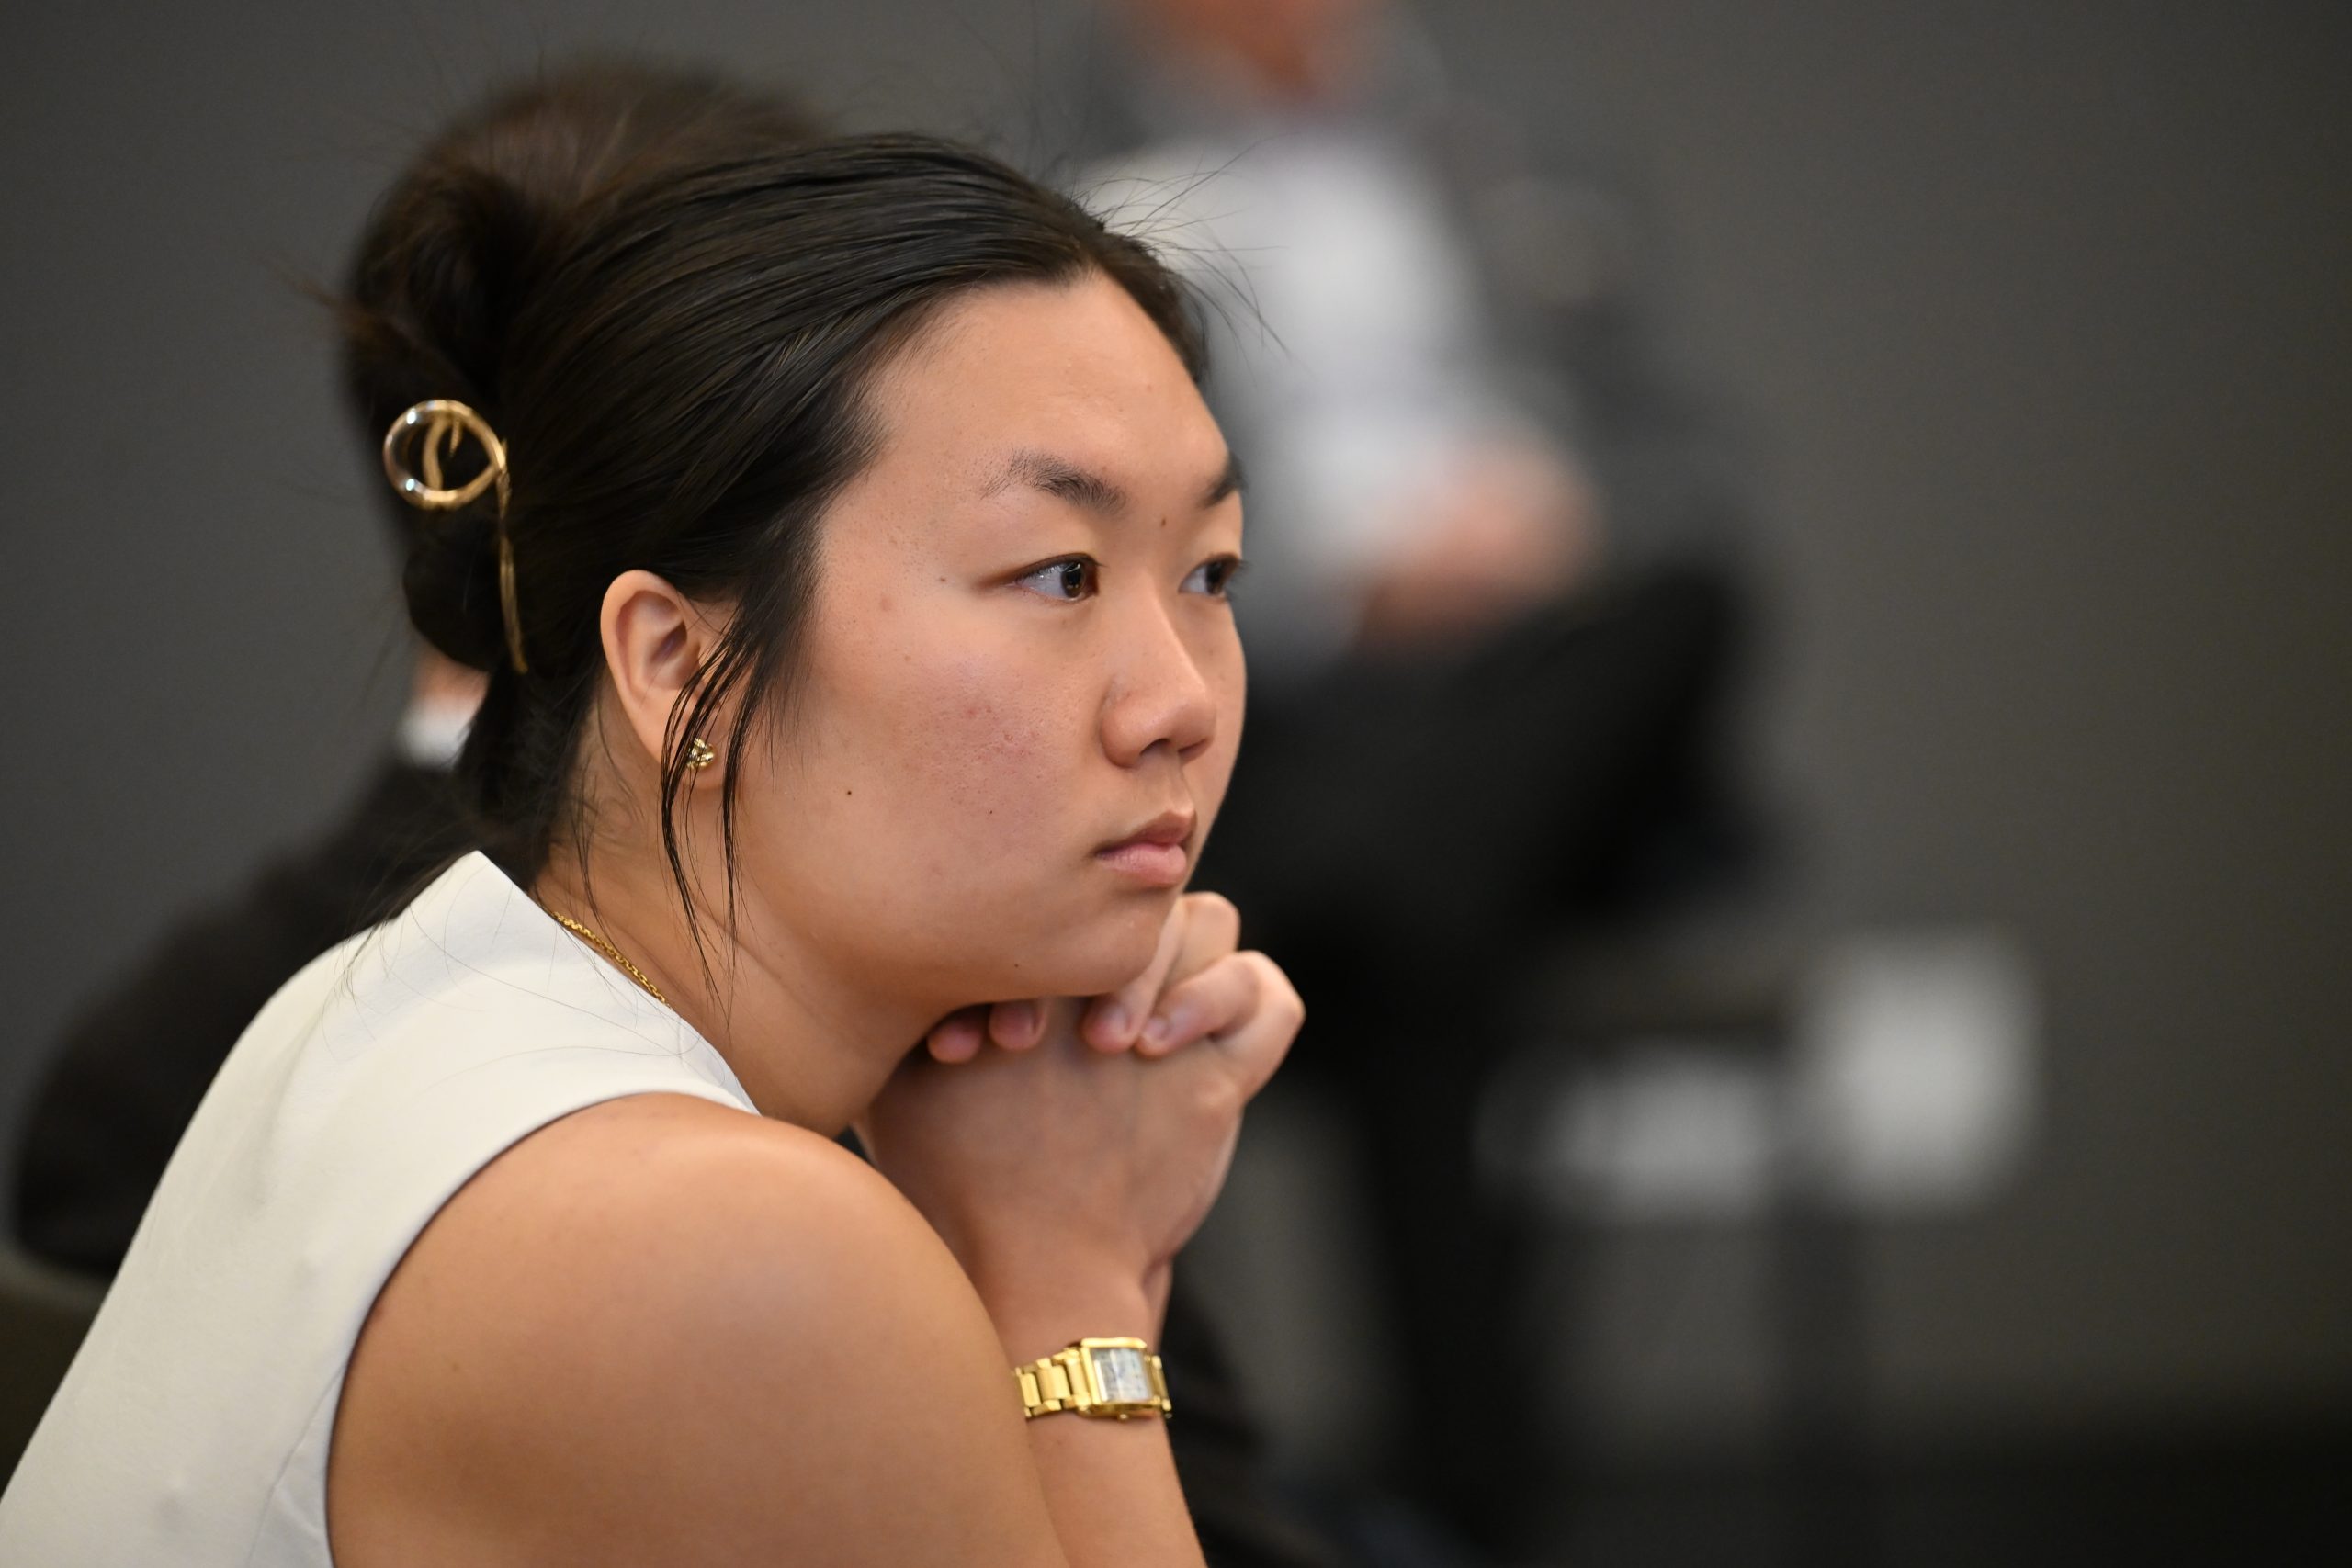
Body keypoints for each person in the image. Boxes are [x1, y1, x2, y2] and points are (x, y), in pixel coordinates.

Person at [0, 62, 1306, 1568]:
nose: (1181, 701)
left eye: (1210, 573)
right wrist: (1073, 1290)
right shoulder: (728, 1248)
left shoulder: (388, 999)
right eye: (1059, 575)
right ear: (679, 667)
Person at [1038, 1, 1756, 1544]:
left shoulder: (1514, 137)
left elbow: (1681, 459)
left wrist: (1563, 526)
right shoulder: (1080, 171)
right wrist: (1325, 588)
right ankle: (1485, 1517)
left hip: (1530, 684)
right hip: (1287, 681)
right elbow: (1088, 508)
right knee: (1438, 952)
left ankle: (1377, 888)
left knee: (1690, 603)